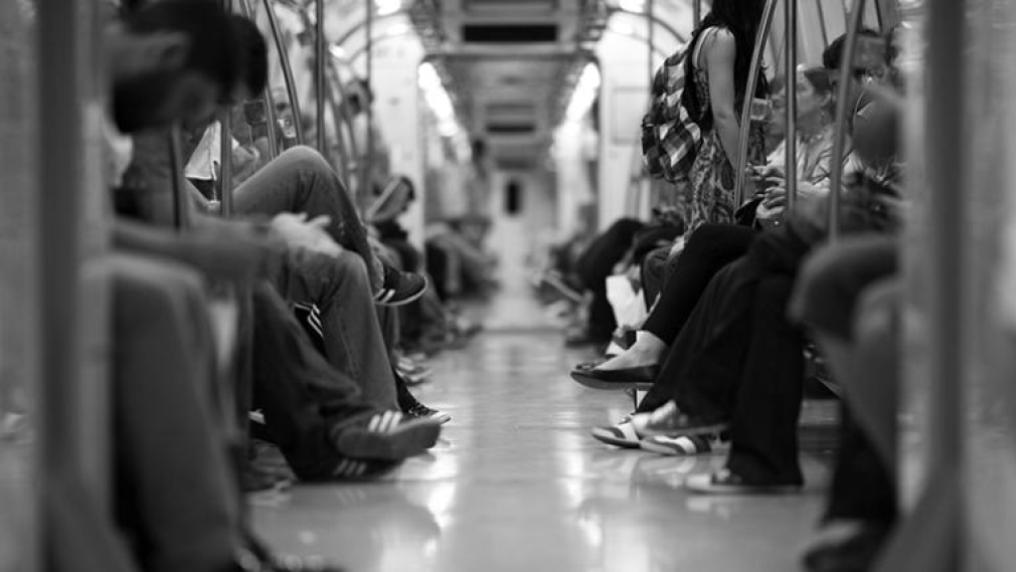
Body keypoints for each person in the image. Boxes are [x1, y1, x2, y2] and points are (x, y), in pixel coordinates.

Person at [681, 0, 769, 232]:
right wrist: (744, 174)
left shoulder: (708, 35)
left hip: (716, 157)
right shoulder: (723, 39)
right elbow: (723, 113)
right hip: (725, 165)